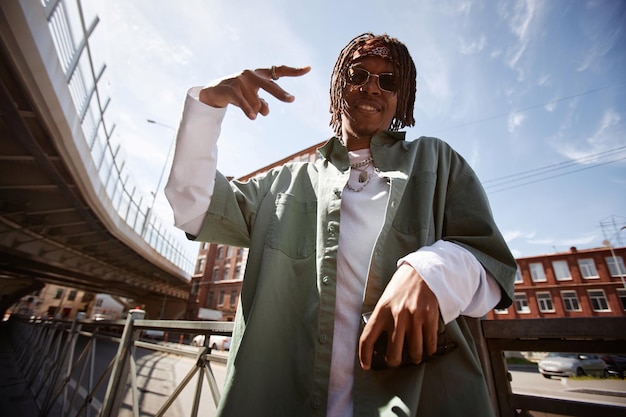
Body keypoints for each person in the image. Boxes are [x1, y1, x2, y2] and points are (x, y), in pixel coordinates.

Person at [165, 33, 516, 417]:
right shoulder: (284, 182)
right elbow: (193, 208)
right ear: (337, 86)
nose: (371, 86)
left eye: (389, 81)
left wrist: (431, 272)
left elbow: (492, 267)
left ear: (403, 98)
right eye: (358, 73)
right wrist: (208, 105)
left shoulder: (437, 161)